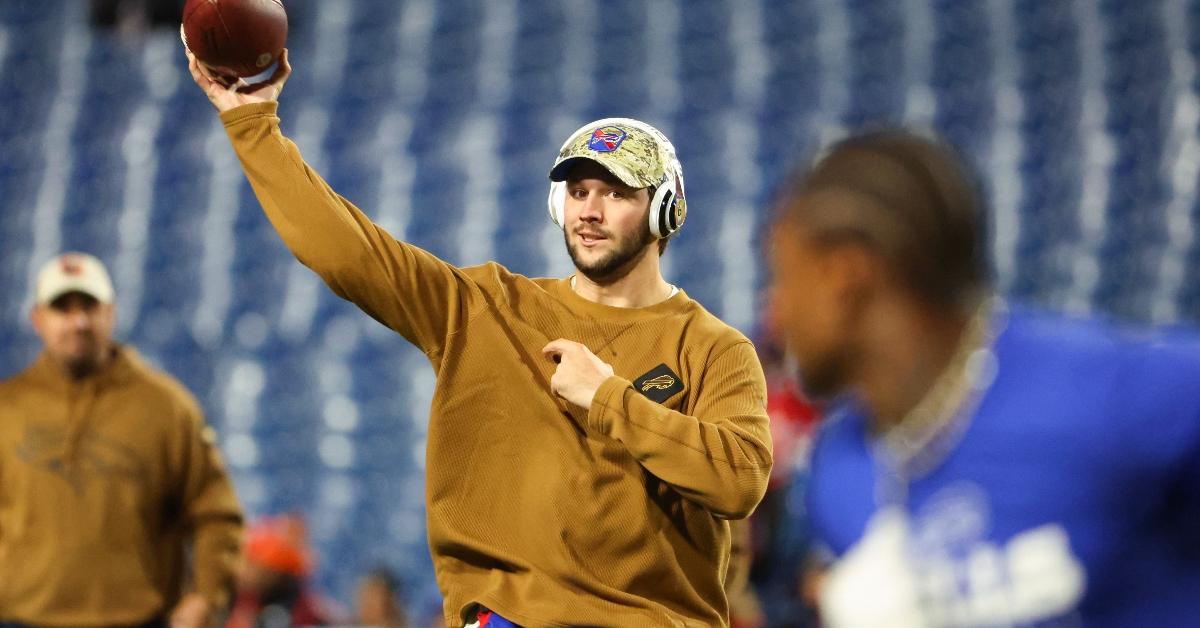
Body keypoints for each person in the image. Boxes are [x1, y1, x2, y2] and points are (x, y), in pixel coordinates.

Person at [184, 47, 772, 627]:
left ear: (664, 209)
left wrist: (611, 398)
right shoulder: (486, 307)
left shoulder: (714, 349)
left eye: (617, 193)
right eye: (578, 191)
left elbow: (740, 480)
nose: (589, 210)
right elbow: (345, 251)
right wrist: (251, 121)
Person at [765, 129, 1200, 627]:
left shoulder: (1105, 397)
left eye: (783, 277)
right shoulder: (835, 471)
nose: (775, 316)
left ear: (845, 275)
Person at [0, 252, 244, 627]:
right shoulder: (7, 408)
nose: (78, 321)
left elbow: (217, 515)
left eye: (90, 306)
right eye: (62, 308)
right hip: (22, 619)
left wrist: (205, 598)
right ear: (38, 320)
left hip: (138, 620)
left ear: (110, 313)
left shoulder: (167, 407)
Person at [227, 515, 338, 628]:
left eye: (252, 564)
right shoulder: (238, 596)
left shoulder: (302, 608)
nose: (243, 570)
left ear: (274, 573)